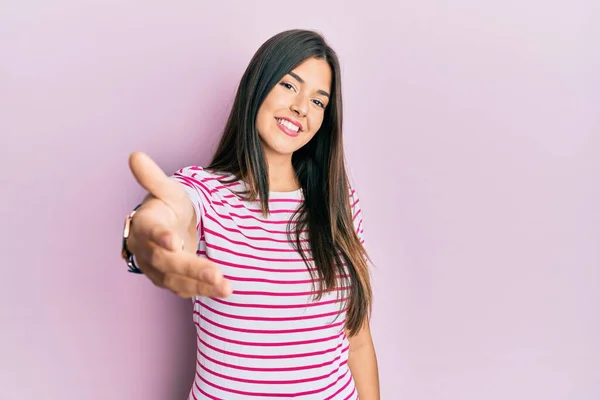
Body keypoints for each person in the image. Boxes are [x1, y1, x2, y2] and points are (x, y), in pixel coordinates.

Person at [121, 29, 380, 399]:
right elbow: (171, 213)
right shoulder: (207, 194)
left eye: (319, 102)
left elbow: (356, 339)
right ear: (259, 85)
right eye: (290, 86)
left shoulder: (339, 204)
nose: (302, 108)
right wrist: (144, 234)